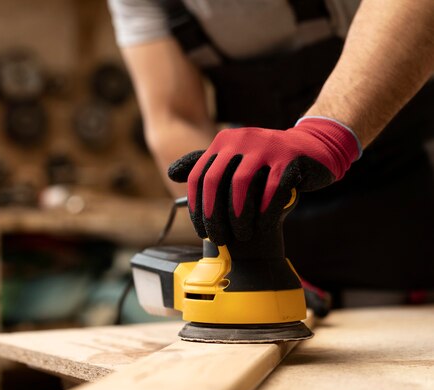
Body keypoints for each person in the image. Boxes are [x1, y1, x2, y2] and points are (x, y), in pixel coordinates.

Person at [108, 0, 434, 305]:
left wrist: (327, 134)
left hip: (410, 183)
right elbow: (176, 118)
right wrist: (233, 243)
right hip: (281, 209)